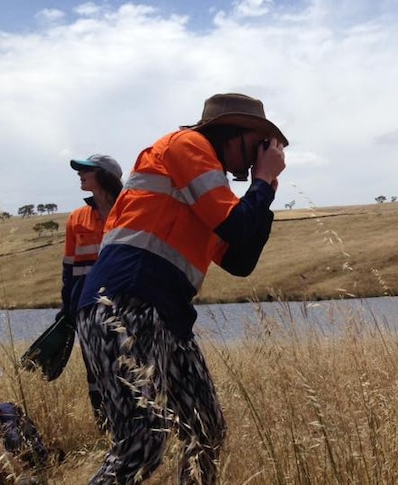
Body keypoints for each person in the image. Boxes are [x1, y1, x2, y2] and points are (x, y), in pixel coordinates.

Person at [75, 93, 288, 484]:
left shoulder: (210, 191)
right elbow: (238, 228)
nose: (261, 152)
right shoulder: (187, 146)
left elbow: (241, 261)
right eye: (258, 142)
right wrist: (259, 181)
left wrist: (267, 187)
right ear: (233, 133)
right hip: (124, 303)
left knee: (205, 432)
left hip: (166, 315)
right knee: (141, 445)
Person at [63, 154, 124, 430]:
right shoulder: (76, 218)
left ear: (105, 176)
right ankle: (106, 429)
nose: (80, 174)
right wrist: (67, 307)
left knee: (130, 364)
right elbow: (69, 267)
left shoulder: (129, 211)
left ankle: (136, 426)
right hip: (86, 307)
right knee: (94, 369)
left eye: (86, 170)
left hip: (125, 304)